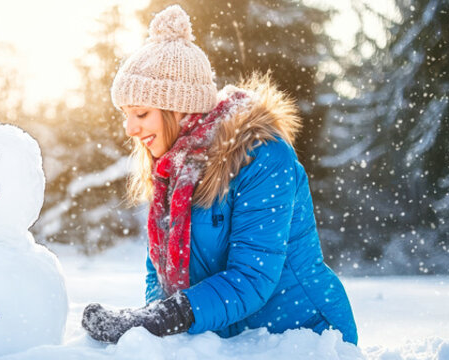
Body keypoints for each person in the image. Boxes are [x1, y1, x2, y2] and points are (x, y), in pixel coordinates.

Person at [80, 5, 358, 345]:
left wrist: (162, 319)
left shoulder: (262, 157)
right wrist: (151, 322)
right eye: (125, 114)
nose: (129, 128)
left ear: (180, 108)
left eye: (140, 113)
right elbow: (159, 266)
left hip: (301, 337)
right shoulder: (173, 169)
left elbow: (252, 276)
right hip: (228, 338)